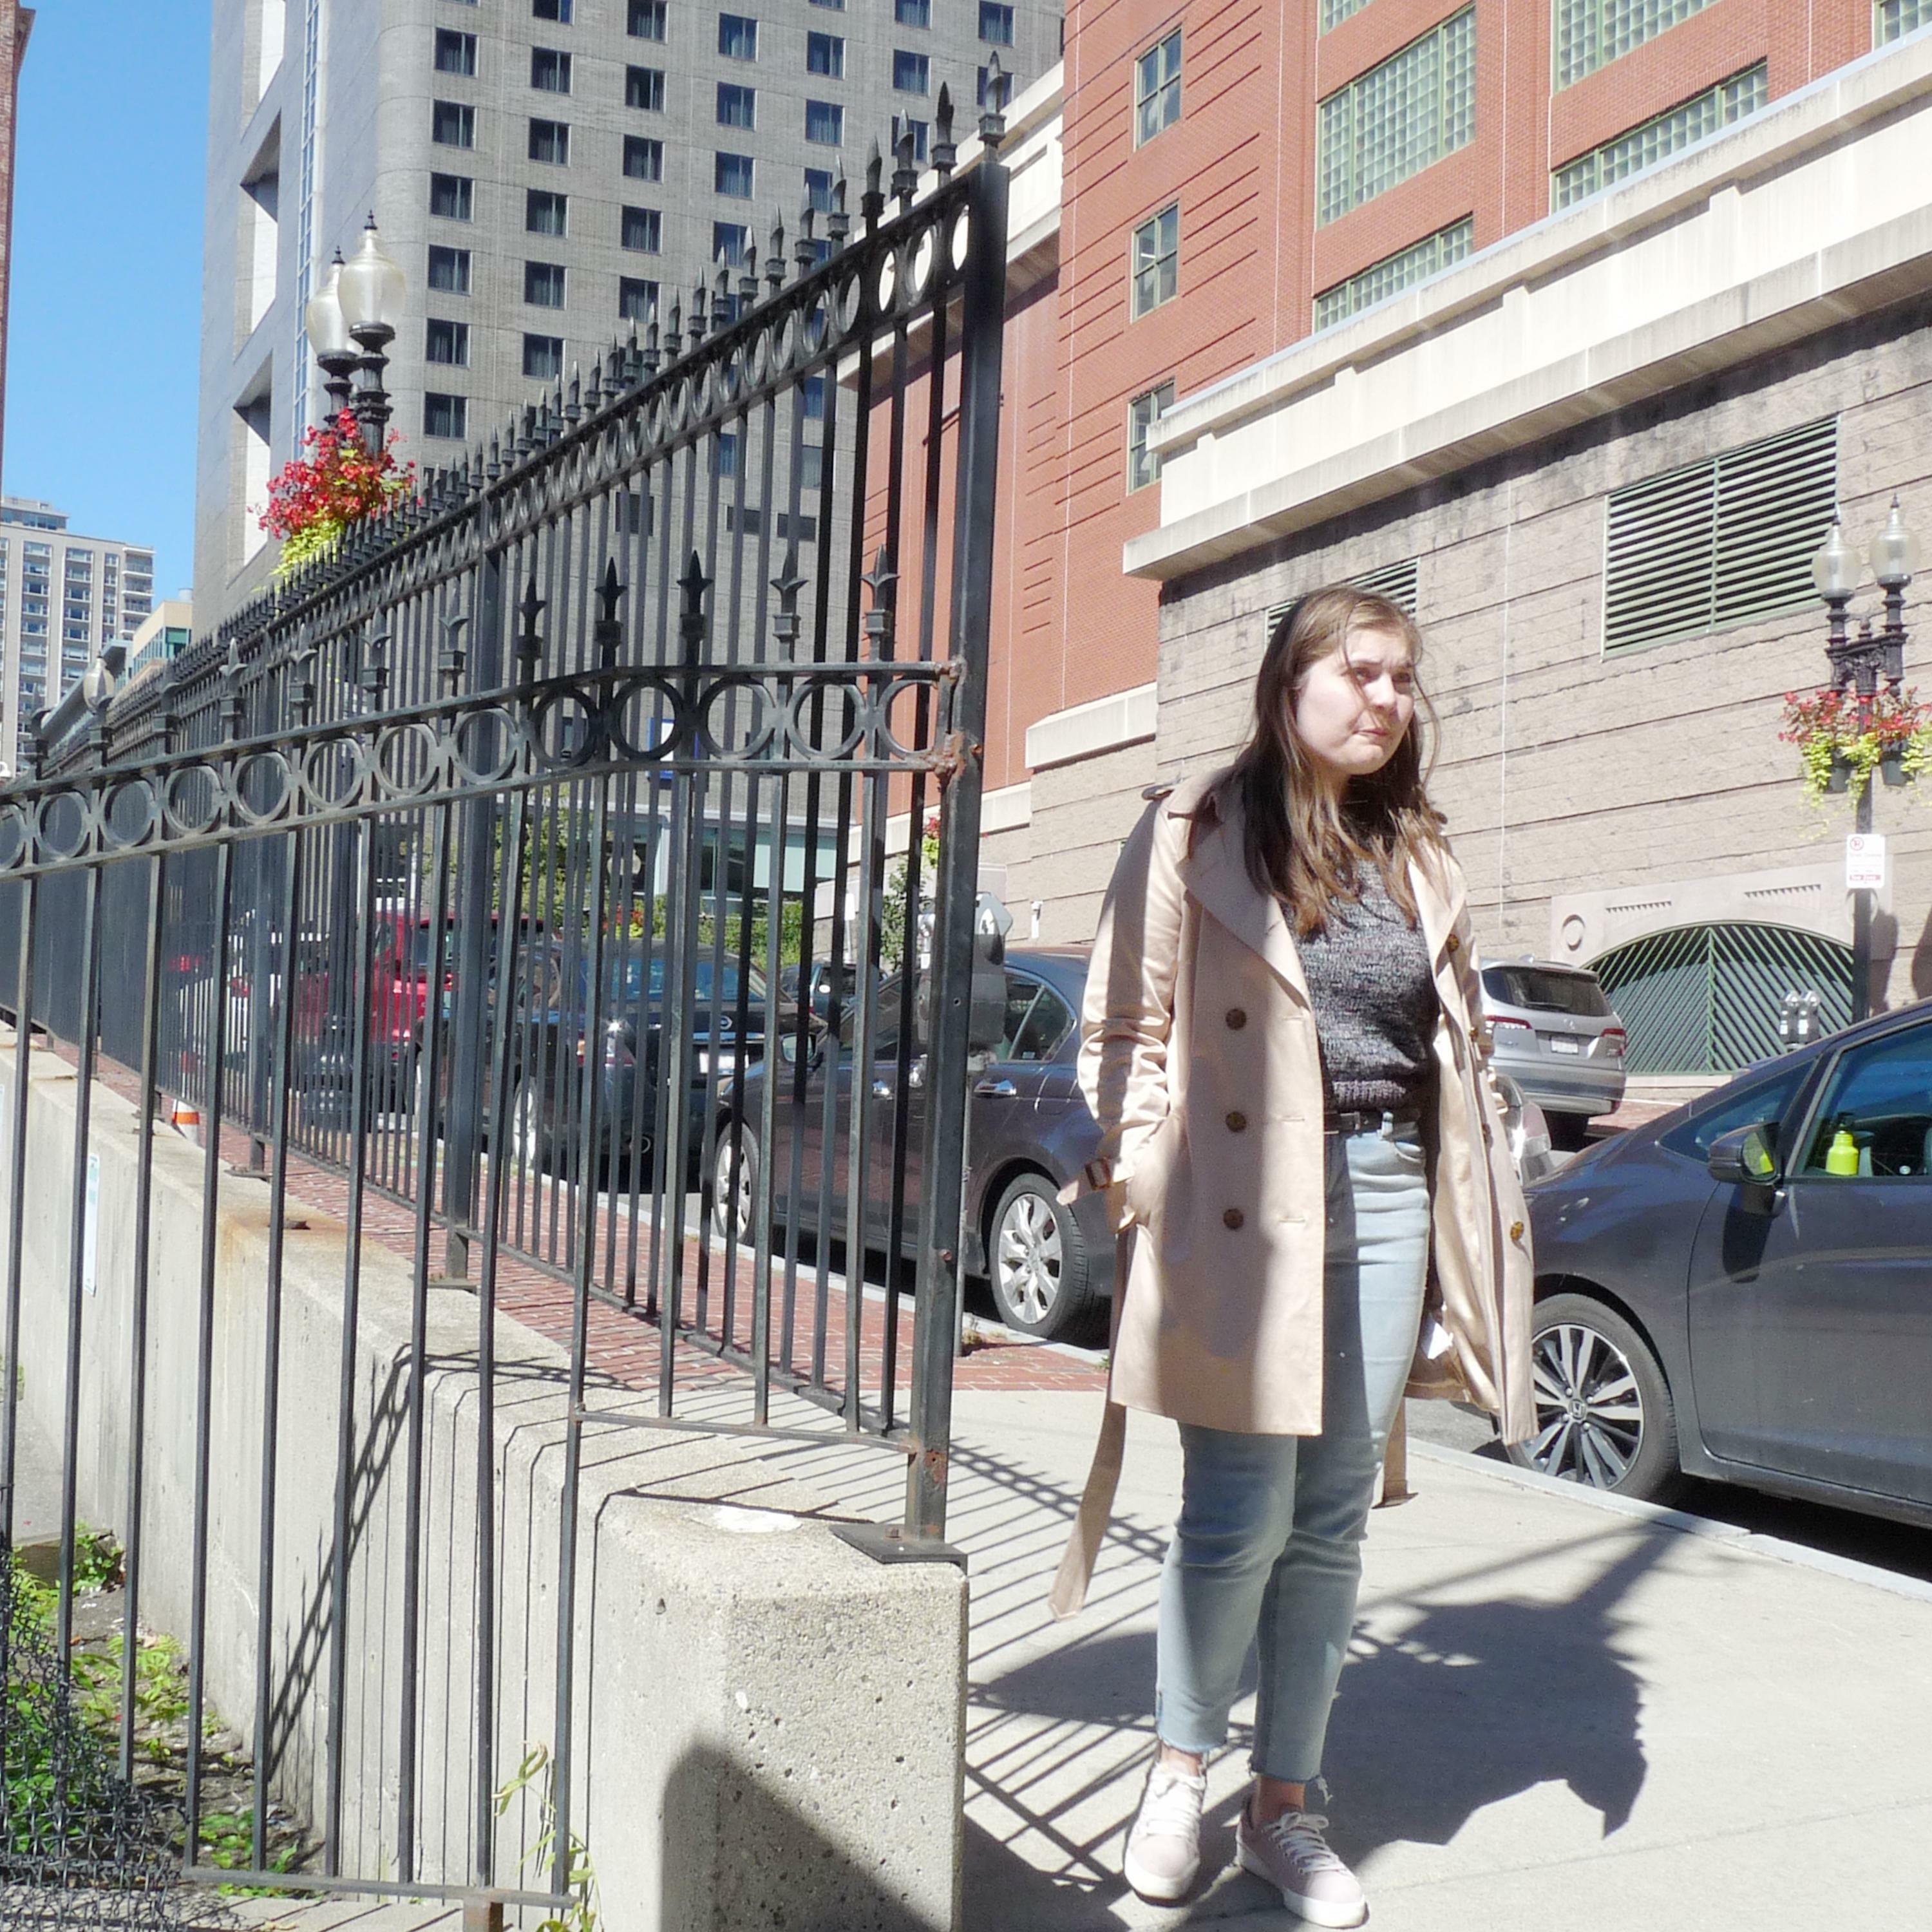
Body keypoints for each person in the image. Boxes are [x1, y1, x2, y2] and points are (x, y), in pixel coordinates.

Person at [1049, 587, 1534, 1926]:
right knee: (1236, 1511)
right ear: (1290, 686)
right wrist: (1144, 1164)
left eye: (1403, 680)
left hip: (1382, 1187)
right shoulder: (1197, 829)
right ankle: (1177, 1774)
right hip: (1238, 1200)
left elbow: (1447, 1042)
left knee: (1328, 1523)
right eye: (1362, 672)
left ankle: (1282, 1808)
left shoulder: (1417, 850)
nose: (1389, 699)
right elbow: (1124, 1021)